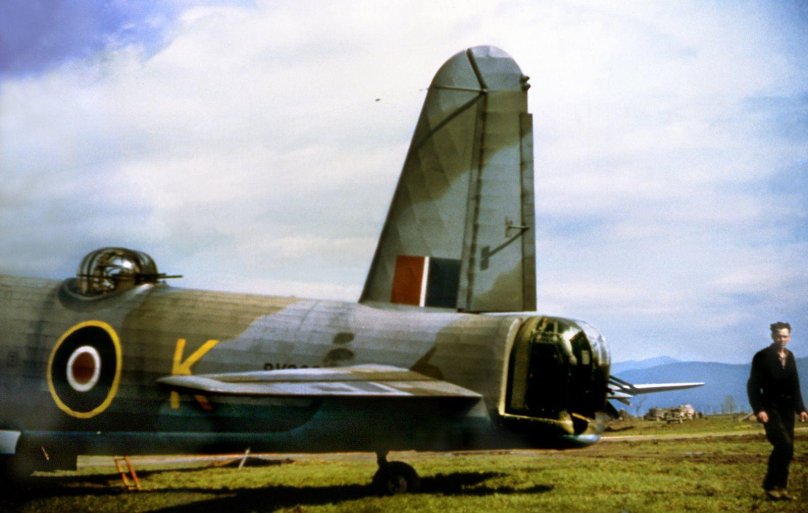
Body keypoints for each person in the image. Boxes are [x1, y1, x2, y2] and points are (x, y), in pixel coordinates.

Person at [747, 322, 808, 501]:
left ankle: (781, 488)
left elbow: (794, 384)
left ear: (789, 337)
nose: (782, 339)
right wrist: (758, 409)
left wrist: (801, 409)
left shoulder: (790, 356)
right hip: (770, 409)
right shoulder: (762, 357)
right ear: (773, 336)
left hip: (787, 409)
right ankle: (770, 485)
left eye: (785, 336)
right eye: (779, 336)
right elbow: (752, 386)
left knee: (788, 449)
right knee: (784, 445)